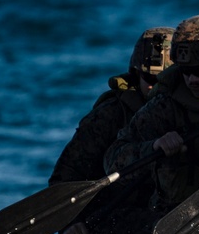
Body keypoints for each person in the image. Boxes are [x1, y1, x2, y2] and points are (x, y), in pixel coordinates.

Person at [86, 14, 199, 234]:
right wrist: (154, 147)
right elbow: (114, 159)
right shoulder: (165, 105)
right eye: (186, 71)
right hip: (177, 218)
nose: (192, 79)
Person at [49, 26, 174, 186]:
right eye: (150, 79)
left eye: (162, 80)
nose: (155, 87)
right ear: (137, 75)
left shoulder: (185, 108)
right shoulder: (110, 115)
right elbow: (65, 178)